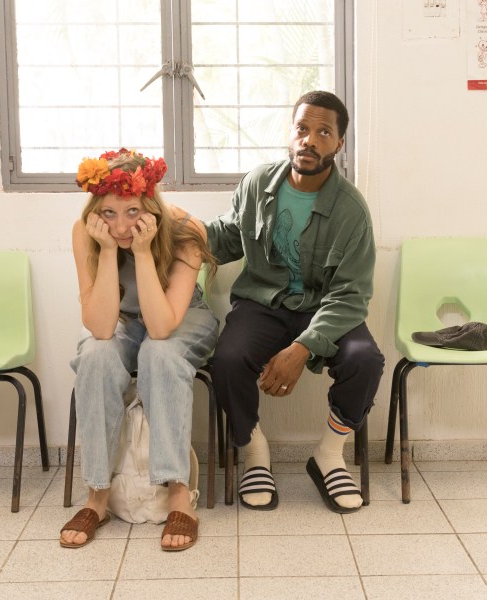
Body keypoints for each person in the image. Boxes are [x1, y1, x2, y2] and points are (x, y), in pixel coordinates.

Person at [204, 91, 385, 514]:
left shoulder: (352, 211)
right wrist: (173, 226)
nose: (310, 140)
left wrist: (302, 348)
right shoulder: (257, 183)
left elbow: (351, 295)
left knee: (366, 359)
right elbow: (230, 237)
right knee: (227, 359)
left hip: (324, 308)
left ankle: (328, 455)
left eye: (324, 132)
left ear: (339, 144)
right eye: (302, 129)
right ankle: (255, 453)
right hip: (262, 303)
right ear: (291, 132)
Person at [63, 148, 218, 551]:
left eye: (132, 212)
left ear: (149, 206)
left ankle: (179, 493)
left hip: (182, 317)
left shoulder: (185, 230)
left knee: (160, 354)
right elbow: (99, 327)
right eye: (109, 214)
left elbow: (164, 327)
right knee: (95, 356)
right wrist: (111, 252)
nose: (120, 226)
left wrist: (145, 252)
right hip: (121, 319)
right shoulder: (86, 232)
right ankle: (97, 496)